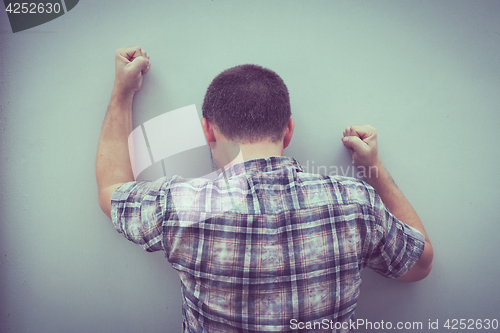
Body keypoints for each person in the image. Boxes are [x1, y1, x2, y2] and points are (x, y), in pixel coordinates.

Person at [96, 46, 433, 333]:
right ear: (288, 131)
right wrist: (373, 169)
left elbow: (112, 188)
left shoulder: (177, 205)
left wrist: (122, 92)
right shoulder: (355, 202)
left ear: (207, 132)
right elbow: (420, 265)